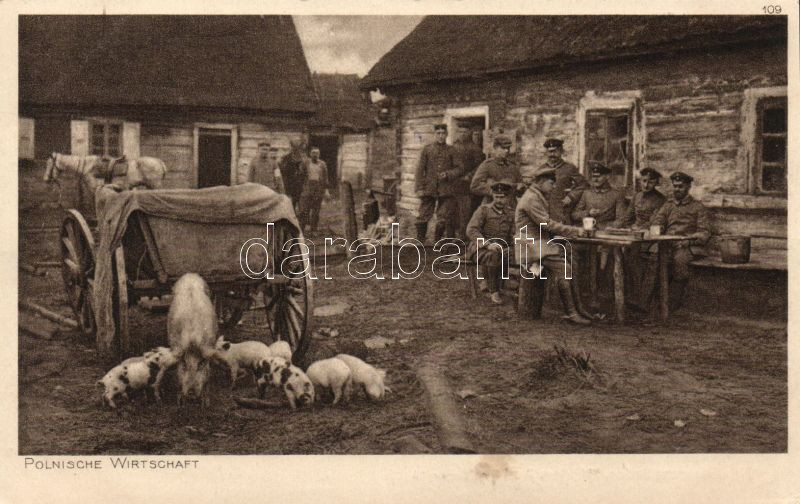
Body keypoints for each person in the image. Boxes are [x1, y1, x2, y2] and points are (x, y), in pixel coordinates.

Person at [515, 166, 593, 325]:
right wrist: (574, 231)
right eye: (551, 183)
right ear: (541, 182)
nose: (553, 187)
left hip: (538, 243)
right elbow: (547, 224)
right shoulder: (531, 199)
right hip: (530, 246)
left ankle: (578, 308)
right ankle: (572, 313)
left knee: (571, 260)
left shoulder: (537, 195)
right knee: (565, 267)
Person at [638, 171, 710, 312]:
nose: (677, 189)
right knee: (654, 258)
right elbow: (658, 221)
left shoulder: (697, 207)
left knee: (679, 262)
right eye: (675, 186)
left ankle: (671, 304)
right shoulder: (668, 205)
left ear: (688, 187)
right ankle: (643, 303)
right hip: (668, 245)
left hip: (687, 246)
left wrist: (688, 241)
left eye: (680, 187)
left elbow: (704, 232)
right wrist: (655, 229)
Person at [571, 161, 627, 288]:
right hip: (588, 234)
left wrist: (610, 228)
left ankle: (603, 287)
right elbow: (575, 214)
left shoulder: (616, 194)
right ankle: (580, 286)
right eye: (593, 176)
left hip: (606, 235)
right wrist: (588, 213)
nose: (595, 179)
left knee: (605, 255)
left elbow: (621, 218)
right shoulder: (586, 194)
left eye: (599, 176)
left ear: (607, 177)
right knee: (572, 250)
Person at [619, 168, 667, 303]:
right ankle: (631, 294)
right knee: (625, 256)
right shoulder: (637, 196)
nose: (646, 185)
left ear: (656, 182)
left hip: (649, 236)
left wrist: (638, 228)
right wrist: (620, 227)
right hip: (634, 235)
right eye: (644, 181)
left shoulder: (661, 200)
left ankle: (641, 297)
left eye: (650, 182)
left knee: (639, 257)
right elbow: (628, 217)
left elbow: (655, 221)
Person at [466, 179, 516, 305]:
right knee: (493, 255)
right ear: (493, 196)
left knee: (514, 254)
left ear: (508, 198)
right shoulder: (483, 210)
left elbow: (513, 234)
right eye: (496, 196)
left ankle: (505, 285)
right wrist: (487, 244)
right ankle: (494, 291)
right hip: (479, 249)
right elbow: (471, 230)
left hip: (501, 248)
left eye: (502, 197)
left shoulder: (511, 213)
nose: (499, 200)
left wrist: (513, 246)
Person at [414, 123, 464, 243]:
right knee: (423, 216)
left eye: (443, 133)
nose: (441, 136)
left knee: (443, 217)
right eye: (438, 133)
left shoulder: (452, 150)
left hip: (446, 189)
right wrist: (419, 188)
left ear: (446, 135)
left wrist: (448, 174)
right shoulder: (427, 149)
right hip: (429, 188)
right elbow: (420, 170)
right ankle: (420, 241)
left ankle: (437, 242)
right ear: (434, 134)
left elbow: (460, 168)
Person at [540, 138, 587, 224]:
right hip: (544, 211)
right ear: (546, 153)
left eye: (555, 151)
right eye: (550, 152)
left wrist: (571, 196)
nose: (552, 154)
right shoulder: (542, 169)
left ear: (561, 151)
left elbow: (583, 184)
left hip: (562, 210)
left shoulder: (569, 168)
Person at [470, 135, 523, 205]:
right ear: (495, 148)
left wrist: (520, 188)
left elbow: (520, 188)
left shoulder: (513, 167)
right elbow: (475, 186)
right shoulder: (487, 165)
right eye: (503, 148)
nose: (506, 151)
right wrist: (496, 190)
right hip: (491, 205)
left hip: (510, 206)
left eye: (508, 148)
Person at [298, 147, 330, 234]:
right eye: (313, 153)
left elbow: (326, 178)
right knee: (304, 210)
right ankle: (301, 230)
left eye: (317, 153)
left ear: (319, 154)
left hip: (318, 189)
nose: (315, 155)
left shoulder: (323, 164)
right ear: (310, 154)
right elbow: (300, 174)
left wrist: (326, 190)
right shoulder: (305, 163)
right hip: (307, 189)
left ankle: (314, 230)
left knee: (316, 211)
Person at [279, 139, 308, 211]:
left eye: (297, 148)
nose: (295, 150)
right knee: (289, 206)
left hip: (300, 186)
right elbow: (282, 172)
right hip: (289, 186)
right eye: (293, 147)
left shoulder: (303, 159)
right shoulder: (285, 159)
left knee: (302, 207)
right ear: (291, 147)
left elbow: (306, 173)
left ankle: (300, 220)